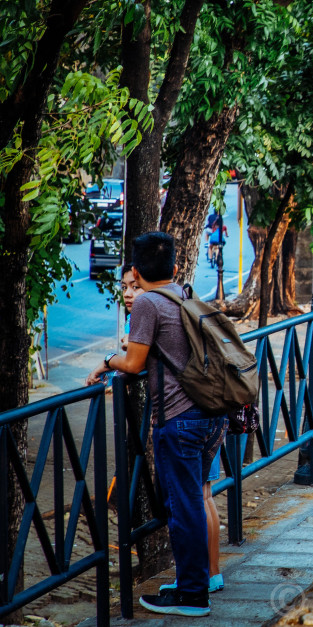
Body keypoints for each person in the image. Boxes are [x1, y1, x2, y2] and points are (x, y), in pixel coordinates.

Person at [85, 232, 225, 617]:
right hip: (209, 414)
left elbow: (134, 364)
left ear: (135, 270)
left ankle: (193, 595)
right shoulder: (182, 293)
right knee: (192, 500)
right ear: (175, 267)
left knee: (184, 506)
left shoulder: (147, 302)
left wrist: (109, 360)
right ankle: (189, 581)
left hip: (179, 419)